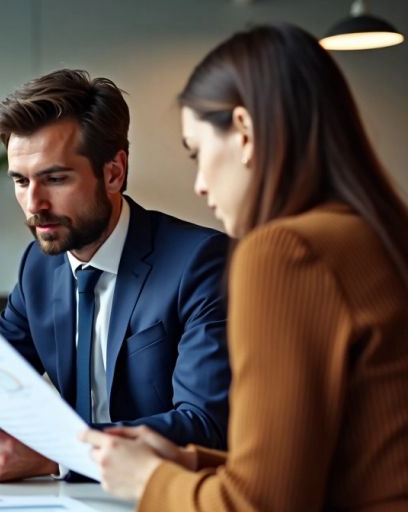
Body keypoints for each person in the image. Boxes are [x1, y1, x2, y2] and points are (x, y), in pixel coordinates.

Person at [81, 23, 408, 510]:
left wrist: (148, 482)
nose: (199, 185)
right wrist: (187, 463)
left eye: (198, 153)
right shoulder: (376, 236)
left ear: (245, 133)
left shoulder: (283, 252)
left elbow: (261, 505)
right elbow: (332, 467)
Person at [0, 69, 232, 482]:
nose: (34, 204)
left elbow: (205, 424)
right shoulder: (38, 265)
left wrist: (58, 456)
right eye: (20, 181)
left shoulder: (200, 262)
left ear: (113, 172)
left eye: (55, 179)